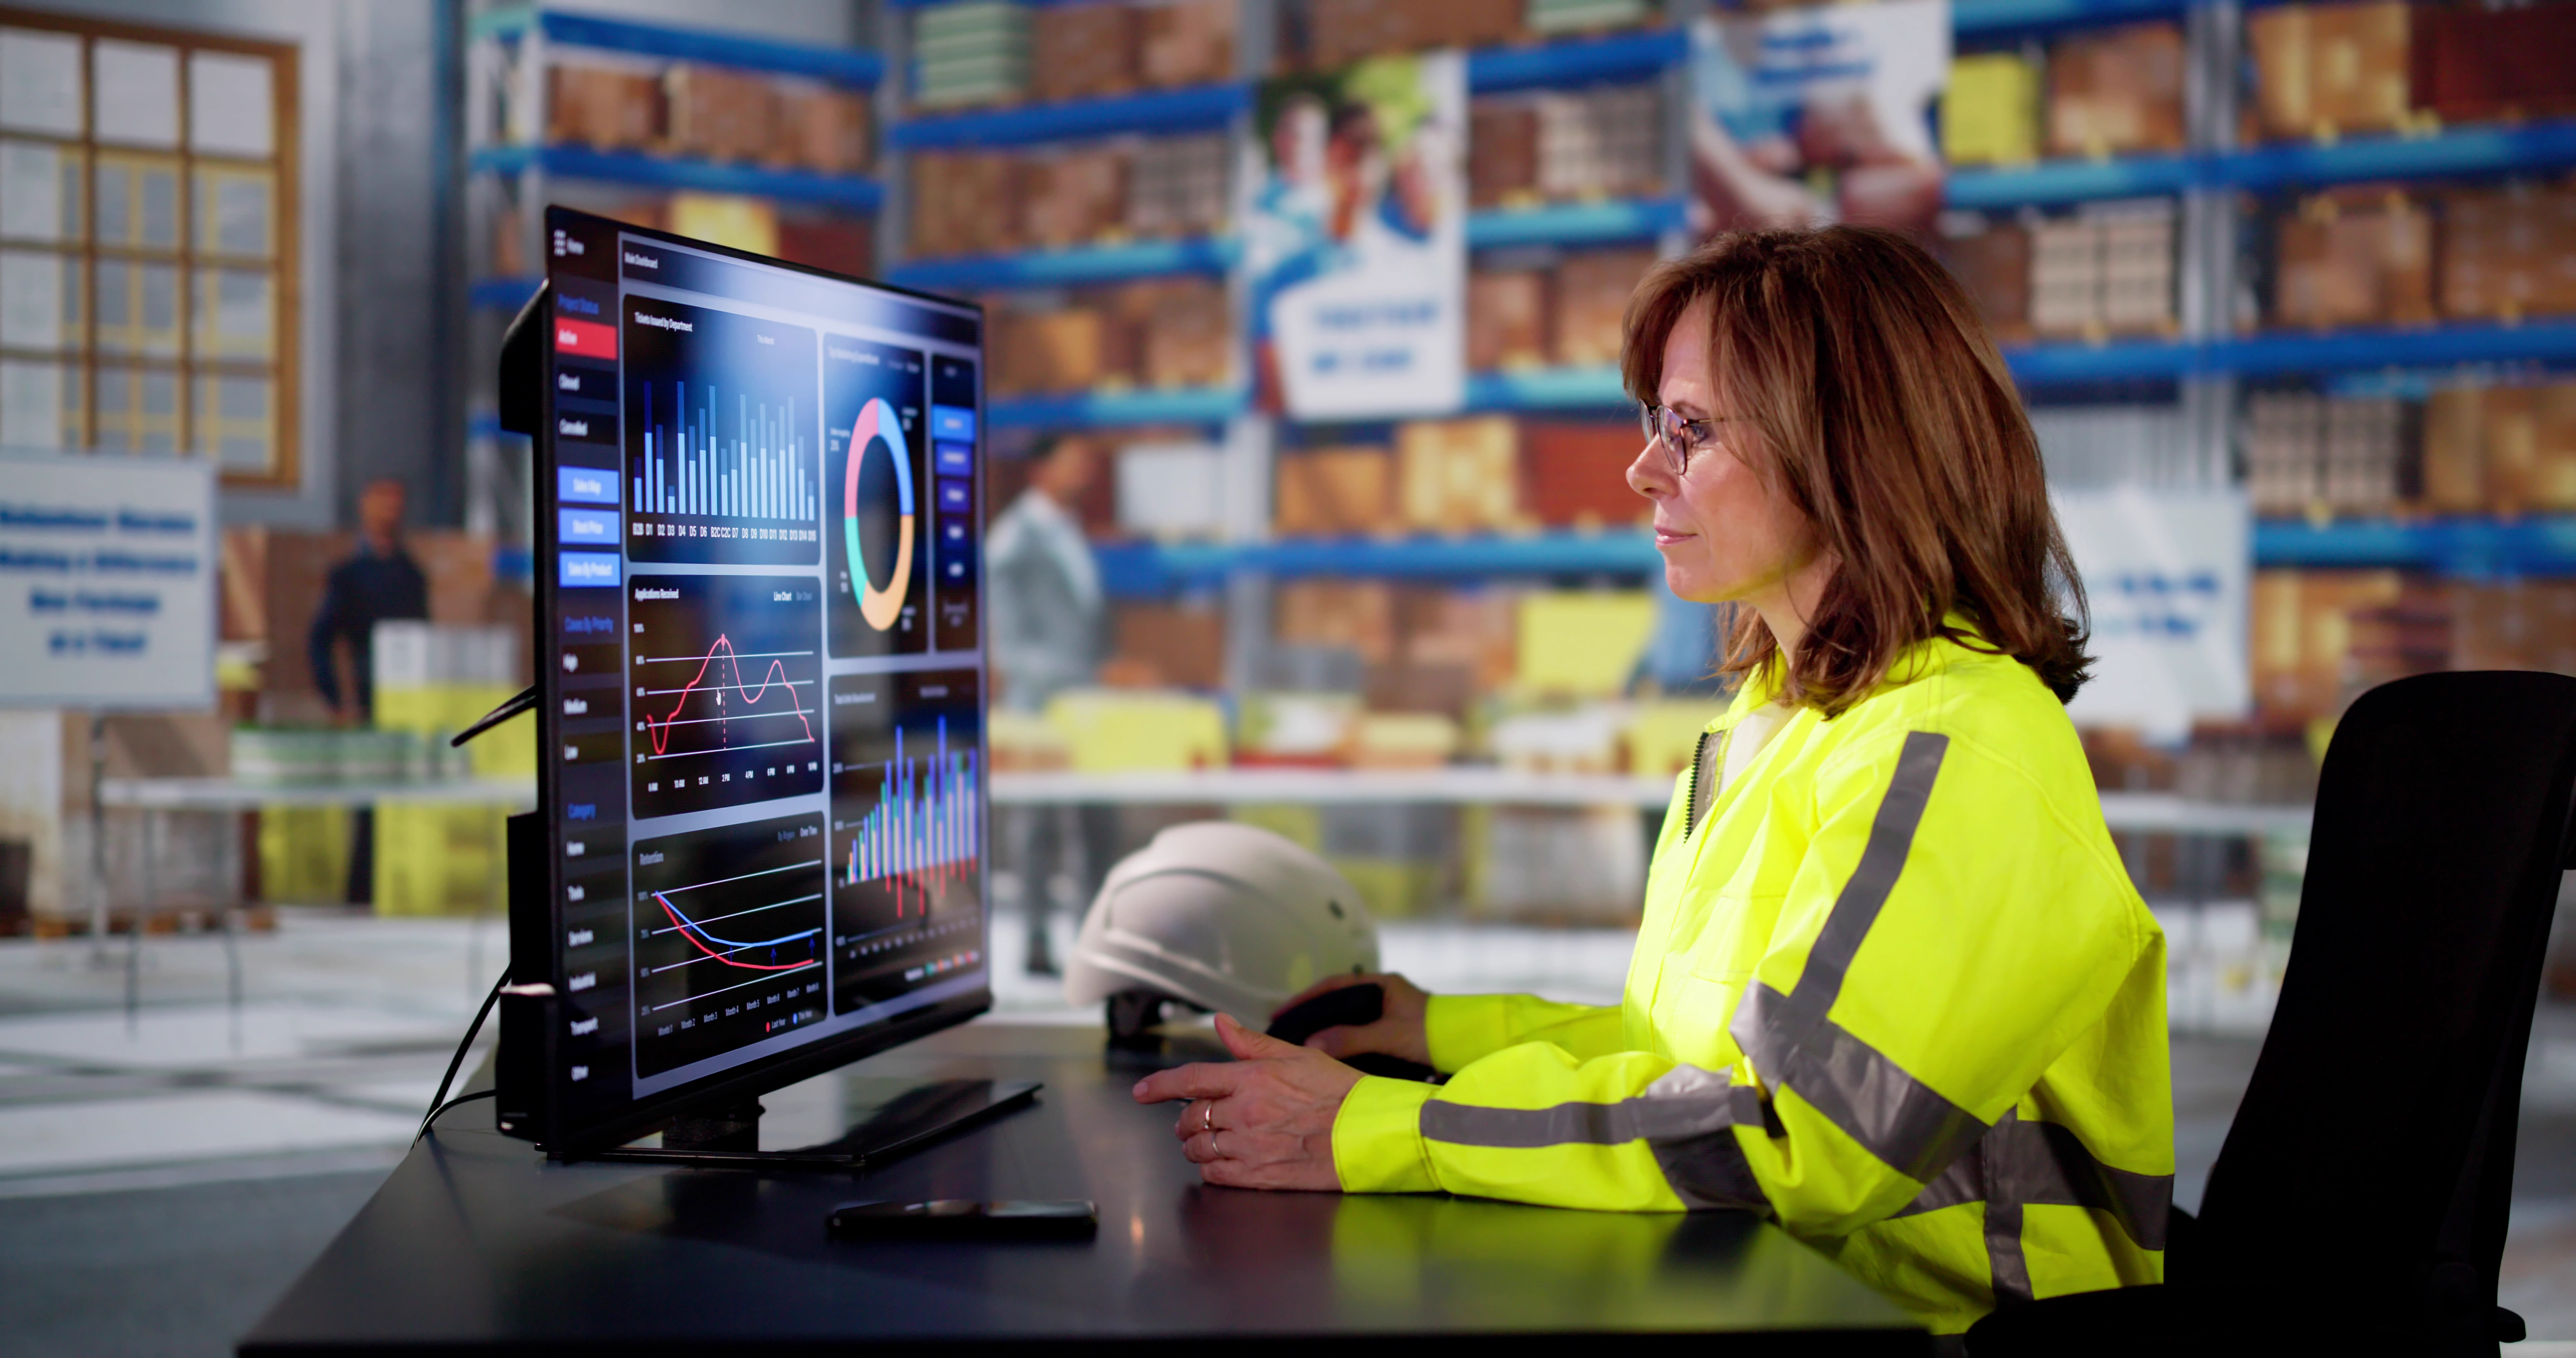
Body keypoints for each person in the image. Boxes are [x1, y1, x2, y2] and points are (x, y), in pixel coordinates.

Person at [1132, 227, 2171, 1337]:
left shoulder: (1961, 750)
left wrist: (1381, 1130)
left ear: (1849, 451)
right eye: (1654, 423)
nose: (1643, 469)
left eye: (1694, 430)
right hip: (1788, 1302)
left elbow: (1792, 1136)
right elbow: (1684, 1061)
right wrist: (1435, 1035)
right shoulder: (1778, 727)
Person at [985, 436, 1106, 974]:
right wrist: (1086, 675)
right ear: (1041, 468)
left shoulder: (1070, 529)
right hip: (1040, 710)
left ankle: (1095, 939)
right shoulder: (1014, 542)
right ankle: (1037, 941)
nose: (1085, 468)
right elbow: (1013, 647)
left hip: (1087, 709)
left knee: (1097, 822)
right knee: (1037, 828)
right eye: (1073, 458)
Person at [308, 478, 429, 905]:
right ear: (364, 507)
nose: (389, 513)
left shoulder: (411, 575)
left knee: (407, 804)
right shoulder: (349, 576)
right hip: (368, 700)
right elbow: (320, 639)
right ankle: (360, 892)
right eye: (381, 503)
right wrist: (337, 701)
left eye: (396, 503)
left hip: (409, 704)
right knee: (368, 806)